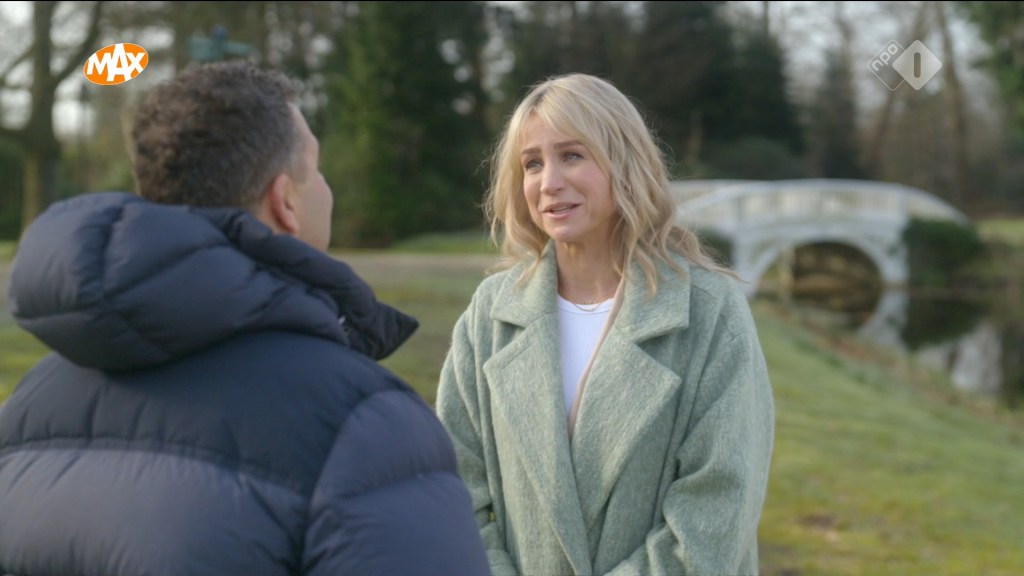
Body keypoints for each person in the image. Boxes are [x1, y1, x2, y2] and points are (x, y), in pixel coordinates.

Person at [0, 61, 489, 576]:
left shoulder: (27, 409)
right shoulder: (366, 427)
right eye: (317, 169)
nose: (327, 187)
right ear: (285, 201)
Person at [436, 73, 775, 576]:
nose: (549, 182)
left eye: (572, 155)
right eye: (532, 163)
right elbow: (451, 492)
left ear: (625, 163)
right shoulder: (490, 315)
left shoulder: (709, 312)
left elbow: (715, 515)